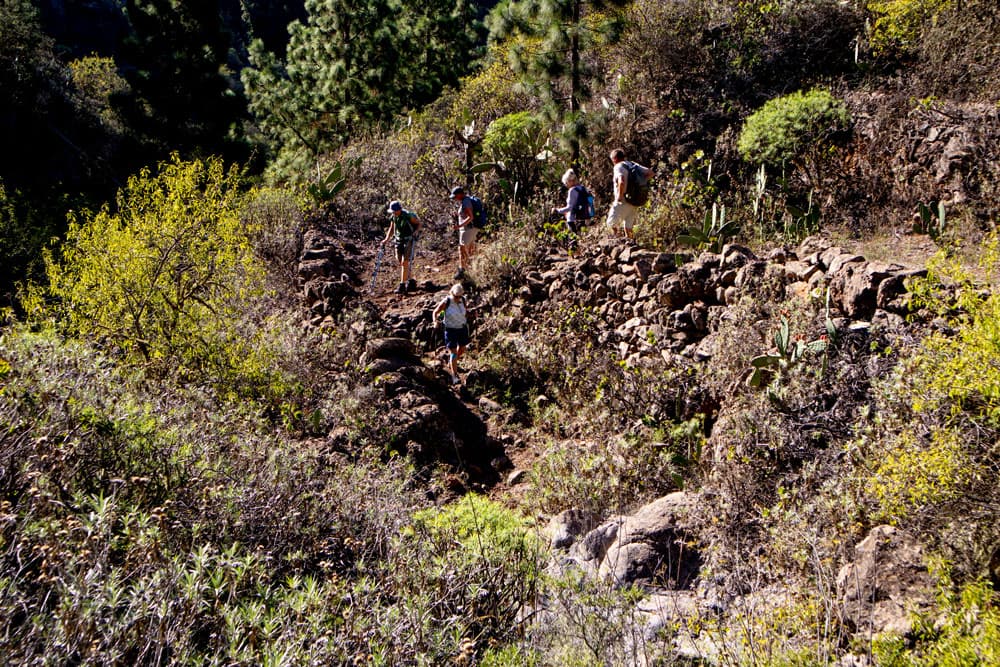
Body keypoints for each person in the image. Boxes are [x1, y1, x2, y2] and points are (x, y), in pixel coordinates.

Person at [606, 148, 652, 241]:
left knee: (611, 224)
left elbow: (621, 181)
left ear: (614, 159)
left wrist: (619, 197)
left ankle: (614, 244)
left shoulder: (618, 167)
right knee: (628, 227)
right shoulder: (632, 164)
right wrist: (638, 184)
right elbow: (650, 173)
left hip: (623, 200)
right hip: (634, 200)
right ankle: (631, 244)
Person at [432, 283, 469, 385]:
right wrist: (435, 322)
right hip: (450, 330)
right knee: (454, 352)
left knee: (462, 348)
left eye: (459, 296)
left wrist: (471, 313)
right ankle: (454, 375)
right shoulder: (447, 301)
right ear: (452, 293)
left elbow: (465, 311)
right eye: (456, 296)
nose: (458, 298)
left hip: (462, 328)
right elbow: (435, 312)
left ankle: (452, 362)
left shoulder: (463, 300)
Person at [382, 200, 421, 294]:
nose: (393, 213)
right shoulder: (394, 216)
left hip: (408, 239)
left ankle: (402, 285)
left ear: (399, 209)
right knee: (399, 260)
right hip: (399, 240)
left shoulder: (408, 215)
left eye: (394, 211)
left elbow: (419, 224)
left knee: (404, 262)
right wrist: (386, 239)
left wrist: (416, 232)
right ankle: (411, 281)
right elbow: (392, 228)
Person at [449, 186, 476, 279]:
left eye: (455, 196)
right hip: (468, 229)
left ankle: (462, 271)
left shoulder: (466, 202)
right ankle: (471, 269)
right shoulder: (465, 201)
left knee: (462, 249)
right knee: (470, 249)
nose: (455, 198)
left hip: (467, 229)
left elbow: (470, 217)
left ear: (460, 194)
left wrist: (459, 226)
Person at [551, 168, 588, 234]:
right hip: (583, 217)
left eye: (566, 182)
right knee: (582, 236)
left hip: (572, 220)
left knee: (574, 237)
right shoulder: (582, 188)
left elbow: (569, 208)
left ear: (570, 181)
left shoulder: (572, 191)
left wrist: (557, 210)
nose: (566, 185)